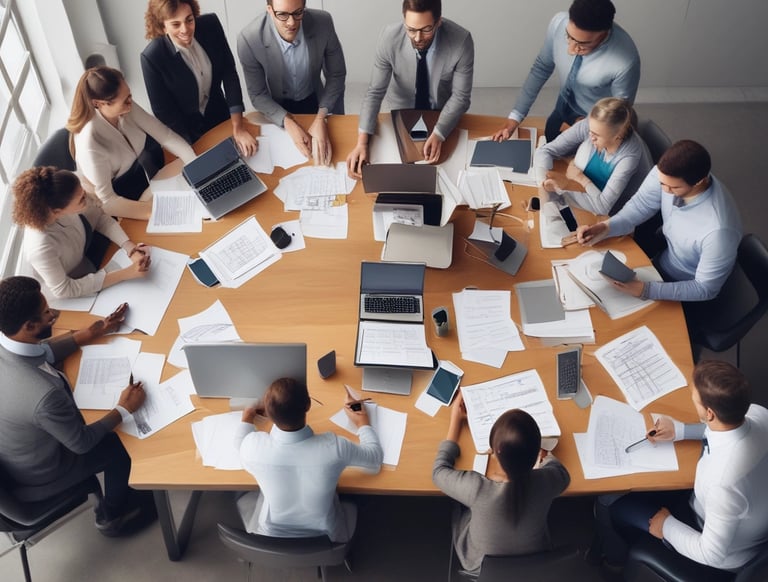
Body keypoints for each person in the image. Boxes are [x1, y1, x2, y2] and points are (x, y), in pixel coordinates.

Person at [0, 277, 155, 536]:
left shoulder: (9, 344)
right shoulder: (43, 395)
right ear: (29, 325)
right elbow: (81, 444)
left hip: (18, 453)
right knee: (121, 445)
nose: (53, 315)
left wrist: (91, 333)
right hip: (45, 473)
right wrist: (124, 408)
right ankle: (113, 516)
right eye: (46, 312)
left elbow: (40, 354)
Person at [593, 360, 768, 572]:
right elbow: (723, 431)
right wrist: (681, 430)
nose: (691, 399)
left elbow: (711, 553)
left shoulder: (722, 483)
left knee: (607, 503)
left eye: (694, 398)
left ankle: (614, 564)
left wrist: (666, 526)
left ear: (710, 413)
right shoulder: (760, 413)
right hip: (747, 519)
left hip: (717, 544)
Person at [576, 140, 742, 302]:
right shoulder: (667, 173)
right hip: (662, 261)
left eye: (673, 188)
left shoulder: (718, 232)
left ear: (699, 181)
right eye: (662, 183)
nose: (665, 191)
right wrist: (606, 227)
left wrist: (646, 290)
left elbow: (705, 289)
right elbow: (641, 205)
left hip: (684, 285)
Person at [432, 393, 570, 577]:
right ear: (536, 452)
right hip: (535, 559)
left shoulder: (477, 488)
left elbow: (439, 472)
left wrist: (455, 422)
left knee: (458, 506)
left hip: (480, 566)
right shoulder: (546, 481)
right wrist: (545, 454)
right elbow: (562, 473)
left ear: (494, 452)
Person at [235, 377, 383, 542]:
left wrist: (247, 418)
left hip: (271, 536)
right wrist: (363, 423)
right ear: (308, 405)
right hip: (325, 538)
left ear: (268, 413)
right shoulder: (334, 447)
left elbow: (239, 447)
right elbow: (375, 458)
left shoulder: (254, 448)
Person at [346, 0, 474, 177]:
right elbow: (375, 92)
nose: (418, 38)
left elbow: (461, 97)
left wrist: (439, 133)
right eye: (411, 29)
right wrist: (361, 143)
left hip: (442, 111)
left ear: (439, 22)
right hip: (401, 111)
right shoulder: (388, 37)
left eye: (426, 29)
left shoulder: (461, 41)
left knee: (446, 172)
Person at [492, 0, 640, 143]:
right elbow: (541, 68)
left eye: (582, 45)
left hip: (594, 126)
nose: (570, 50)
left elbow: (618, 114)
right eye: (568, 37)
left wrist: (584, 127)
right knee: (548, 147)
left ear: (603, 35)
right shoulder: (559, 22)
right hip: (561, 107)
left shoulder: (626, 61)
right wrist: (515, 117)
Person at [66, 66, 196, 220]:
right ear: (99, 104)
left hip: (143, 177)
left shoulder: (127, 106)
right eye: (124, 101)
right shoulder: (90, 143)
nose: (130, 103)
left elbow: (165, 136)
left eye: (129, 96)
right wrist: (154, 212)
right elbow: (108, 201)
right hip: (118, 202)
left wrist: (195, 165)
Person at [13, 167, 151, 299]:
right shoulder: (40, 248)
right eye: (81, 199)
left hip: (90, 267)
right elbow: (64, 290)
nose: (86, 197)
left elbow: (100, 218)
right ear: (56, 211)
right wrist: (127, 273)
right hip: (73, 293)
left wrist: (130, 248)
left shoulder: (70, 195)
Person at [141, 0, 258, 155]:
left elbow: (229, 74)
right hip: (187, 133)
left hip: (221, 117)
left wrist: (238, 127)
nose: (185, 29)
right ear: (162, 26)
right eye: (176, 24)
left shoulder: (211, 25)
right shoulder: (152, 58)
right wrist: (193, 151)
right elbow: (165, 113)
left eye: (189, 20)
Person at [237, 0, 346, 164]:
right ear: (269, 10)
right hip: (276, 106)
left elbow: (336, 74)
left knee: (333, 153)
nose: (291, 22)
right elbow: (257, 94)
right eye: (282, 14)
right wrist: (287, 122)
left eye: (298, 13)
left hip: (315, 99)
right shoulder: (249, 39)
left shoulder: (323, 22)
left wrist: (321, 117)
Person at [534, 97, 652, 216]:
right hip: (590, 191)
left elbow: (603, 207)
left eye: (596, 135)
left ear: (617, 136)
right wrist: (543, 182)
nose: (590, 137)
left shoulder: (629, 157)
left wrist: (575, 181)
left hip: (620, 210)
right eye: (590, 131)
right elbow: (545, 151)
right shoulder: (593, 125)